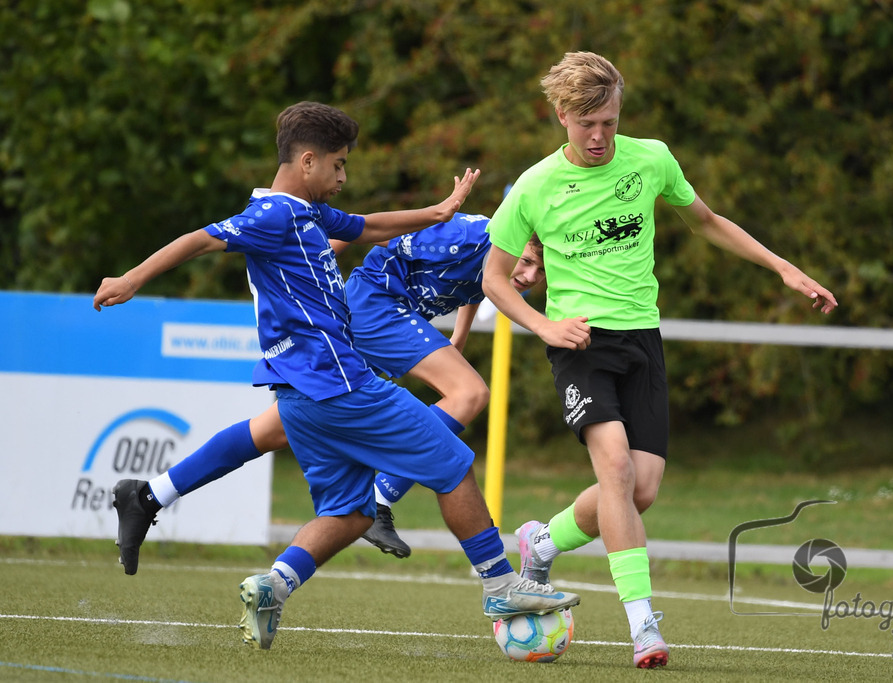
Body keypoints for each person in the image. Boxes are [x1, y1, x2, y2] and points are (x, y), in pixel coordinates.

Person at [93, 101, 578, 650]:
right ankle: (500, 587)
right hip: (339, 382)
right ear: (307, 161)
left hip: (302, 394)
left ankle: (271, 586)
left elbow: (370, 226)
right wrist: (131, 279)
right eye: (339, 164)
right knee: (454, 464)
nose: (344, 176)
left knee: (349, 513)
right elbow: (201, 239)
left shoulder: (309, 214)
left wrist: (437, 211)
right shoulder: (273, 216)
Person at [481, 52, 838, 669]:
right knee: (616, 470)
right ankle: (643, 625)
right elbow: (494, 279)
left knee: (638, 491)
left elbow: (706, 222)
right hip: (580, 345)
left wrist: (783, 268)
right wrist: (545, 326)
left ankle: (542, 541)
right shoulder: (535, 186)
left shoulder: (652, 159)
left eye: (610, 123)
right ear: (562, 115)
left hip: (642, 341)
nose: (599, 136)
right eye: (587, 124)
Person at [110, 220, 545, 570]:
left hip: (364, 321)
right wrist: (319, 266)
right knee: (469, 393)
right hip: (375, 307)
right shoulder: (464, 234)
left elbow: (481, 280)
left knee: (274, 430)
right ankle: (381, 497)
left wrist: (460, 335)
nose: (528, 277)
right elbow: (376, 231)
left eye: (540, 272)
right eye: (526, 261)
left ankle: (150, 494)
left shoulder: (495, 253)